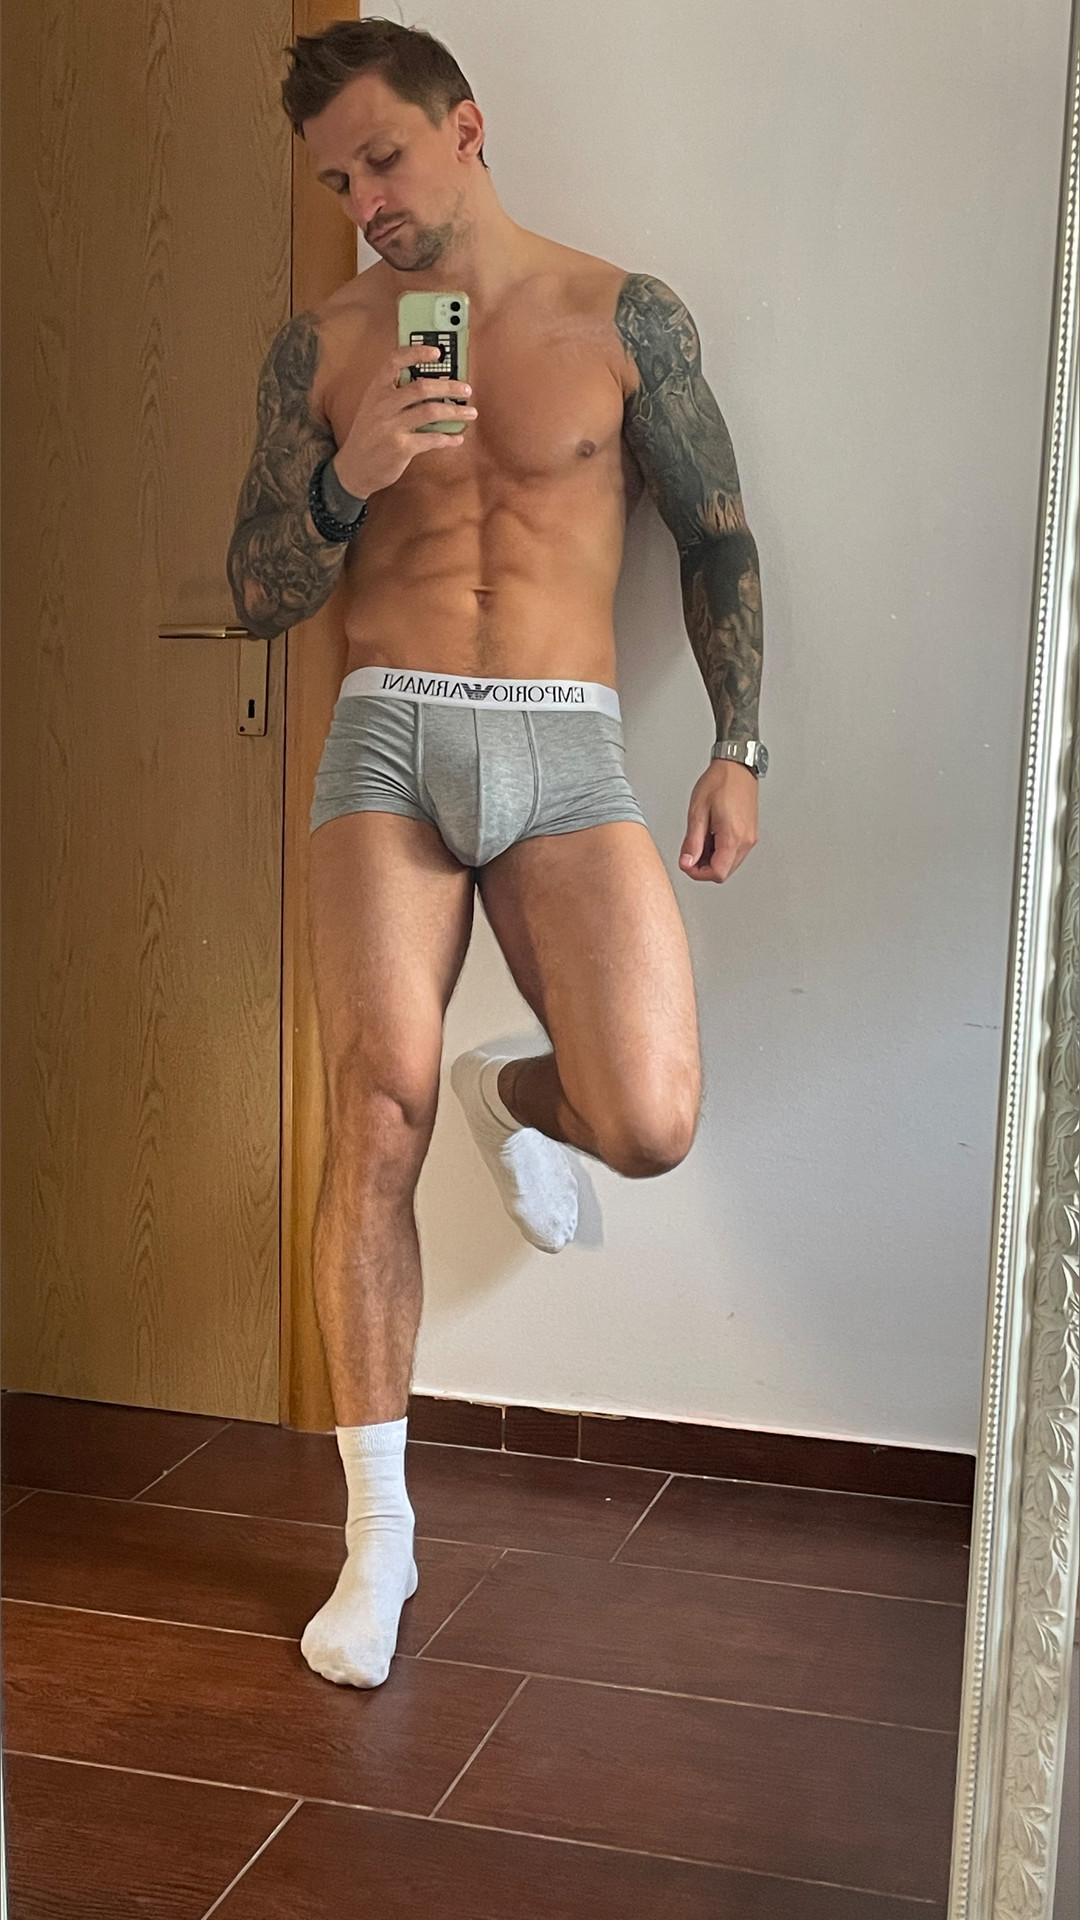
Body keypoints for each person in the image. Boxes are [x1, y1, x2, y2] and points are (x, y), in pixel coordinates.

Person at [227, 17, 767, 1689]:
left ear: (467, 127)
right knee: (370, 1107)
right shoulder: (322, 347)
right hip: (388, 737)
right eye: (337, 182)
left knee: (648, 1120)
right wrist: (350, 477)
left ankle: (512, 1096)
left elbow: (718, 537)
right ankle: (378, 1538)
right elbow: (256, 588)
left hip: (568, 742)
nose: (366, 203)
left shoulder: (622, 315)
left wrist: (740, 747)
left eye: (384, 159)